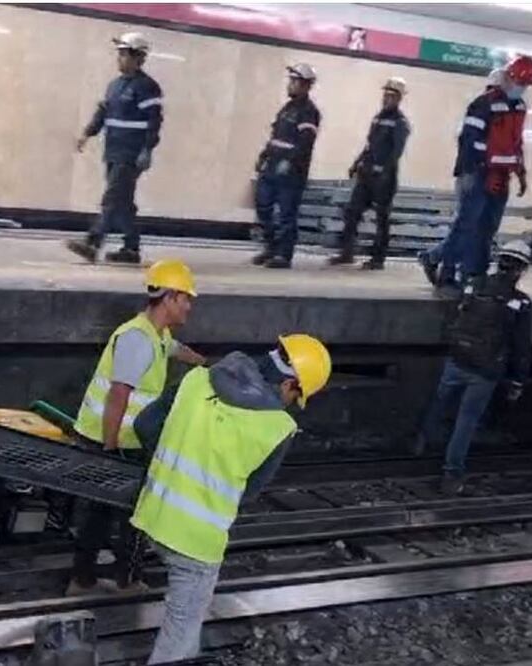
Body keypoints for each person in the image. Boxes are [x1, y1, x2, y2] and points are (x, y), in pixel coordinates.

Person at [130, 334, 333, 663]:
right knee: (178, 636)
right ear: (290, 382)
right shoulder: (278, 427)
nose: (290, 403)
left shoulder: (196, 378)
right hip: (196, 543)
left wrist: (172, 467)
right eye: (296, 395)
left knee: (182, 626)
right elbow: (249, 494)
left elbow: (145, 424)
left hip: (152, 515)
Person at [66, 259, 206, 595]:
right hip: (113, 441)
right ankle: (124, 582)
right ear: (170, 297)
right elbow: (118, 394)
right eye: (186, 298)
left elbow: (174, 349)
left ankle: (86, 579)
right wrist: (111, 446)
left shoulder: (156, 334)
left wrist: (205, 365)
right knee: (132, 514)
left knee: (103, 512)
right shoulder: (137, 339)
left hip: (122, 439)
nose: (189, 305)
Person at [415, 241, 532, 495]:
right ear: (521, 269)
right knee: (466, 422)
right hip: (485, 370)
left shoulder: (474, 284)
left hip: (457, 358)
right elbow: (520, 346)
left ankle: (421, 442)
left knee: (439, 401)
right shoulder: (520, 302)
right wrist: (517, 381)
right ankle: (452, 472)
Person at [419, 56, 532, 293]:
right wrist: (482, 166)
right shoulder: (483, 104)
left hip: (501, 176)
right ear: (508, 78)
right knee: (467, 226)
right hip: (477, 173)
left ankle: (474, 275)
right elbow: (469, 140)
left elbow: (516, 142)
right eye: (519, 82)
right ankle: (447, 272)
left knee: (487, 229)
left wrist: (520, 171)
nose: (521, 88)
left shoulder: (519, 107)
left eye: (525, 84)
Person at [67, 32, 164, 265]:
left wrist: (147, 150)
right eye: (119, 54)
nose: (119, 59)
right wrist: (87, 133)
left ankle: (92, 242)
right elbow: (103, 112)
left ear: (138, 58)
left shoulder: (147, 87)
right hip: (113, 151)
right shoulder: (114, 86)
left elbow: (154, 122)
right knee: (122, 202)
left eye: (124, 54)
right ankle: (131, 249)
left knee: (111, 198)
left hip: (131, 154)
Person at [327, 77, 411, 270]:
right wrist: (356, 163)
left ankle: (378, 259)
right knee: (352, 212)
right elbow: (370, 145)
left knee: (382, 218)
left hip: (384, 178)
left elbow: (396, 152)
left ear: (399, 98)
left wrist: (384, 173)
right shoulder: (378, 118)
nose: (386, 99)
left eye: (391, 96)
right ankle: (346, 253)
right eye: (385, 95)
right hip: (366, 174)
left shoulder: (400, 123)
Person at [252, 63, 321, 269]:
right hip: (272, 165)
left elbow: (305, 143)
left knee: (286, 213)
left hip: (291, 173)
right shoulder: (287, 108)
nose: (290, 85)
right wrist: (264, 155)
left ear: (306, 85)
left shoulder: (309, 112)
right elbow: (276, 136)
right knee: (263, 206)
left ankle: (283, 255)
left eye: (294, 81)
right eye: (290, 80)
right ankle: (271, 247)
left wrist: (289, 162)